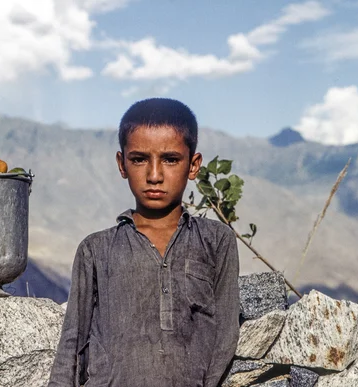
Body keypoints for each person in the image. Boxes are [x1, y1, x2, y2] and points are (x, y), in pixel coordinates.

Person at [47, 98, 240, 387]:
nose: (154, 175)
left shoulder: (215, 240)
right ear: (122, 164)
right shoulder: (96, 249)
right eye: (139, 159)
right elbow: (72, 345)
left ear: (193, 165)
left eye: (170, 159)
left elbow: (225, 334)